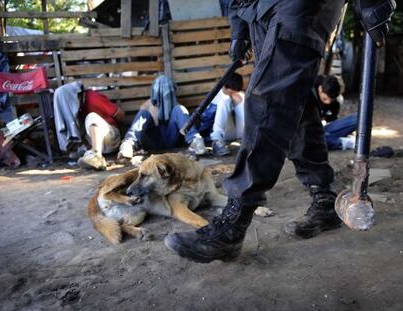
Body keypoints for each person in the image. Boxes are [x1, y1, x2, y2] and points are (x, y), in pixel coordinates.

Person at [164, 0, 396, 263]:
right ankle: (324, 197)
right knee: (294, 100)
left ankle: (234, 222)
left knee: (269, 100)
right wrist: (240, 27)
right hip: (257, 9)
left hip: (299, 6)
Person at [117, 75, 207, 159]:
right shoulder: (147, 106)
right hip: (153, 140)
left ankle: (196, 141)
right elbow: (141, 128)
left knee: (180, 109)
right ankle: (128, 144)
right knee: (143, 114)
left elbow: (182, 124)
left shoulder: (176, 107)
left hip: (171, 138)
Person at [53, 82, 124, 170]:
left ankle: (96, 156)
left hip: (111, 138)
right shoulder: (75, 110)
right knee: (76, 124)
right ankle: (91, 154)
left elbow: (120, 114)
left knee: (91, 117)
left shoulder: (93, 98)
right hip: (92, 144)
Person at [313, 75, 358, 150]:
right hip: (305, 131)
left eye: (331, 101)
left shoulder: (336, 101)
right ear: (320, 89)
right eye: (324, 99)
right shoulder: (308, 93)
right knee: (309, 139)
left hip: (321, 131)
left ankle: (332, 139)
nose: (328, 103)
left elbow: (332, 120)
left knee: (360, 118)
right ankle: (340, 142)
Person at [210, 72, 245, 156]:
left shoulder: (237, 94)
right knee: (225, 99)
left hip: (238, 134)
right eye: (230, 92)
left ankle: (248, 136)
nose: (231, 95)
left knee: (241, 96)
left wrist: (238, 100)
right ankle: (216, 141)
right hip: (220, 133)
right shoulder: (216, 95)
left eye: (234, 92)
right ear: (224, 87)